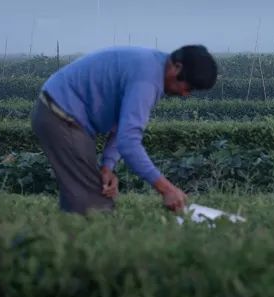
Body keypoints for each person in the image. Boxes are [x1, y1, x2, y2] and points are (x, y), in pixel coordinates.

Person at [30, 44, 218, 215]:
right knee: (95, 207)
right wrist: (167, 189)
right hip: (61, 116)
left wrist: (107, 166)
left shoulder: (153, 67)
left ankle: (67, 241)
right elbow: (129, 142)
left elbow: (122, 125)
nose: (185, 94)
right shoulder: (147, 80)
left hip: (63, 113)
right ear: (177, 67)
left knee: (84, 196)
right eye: (188, 87)